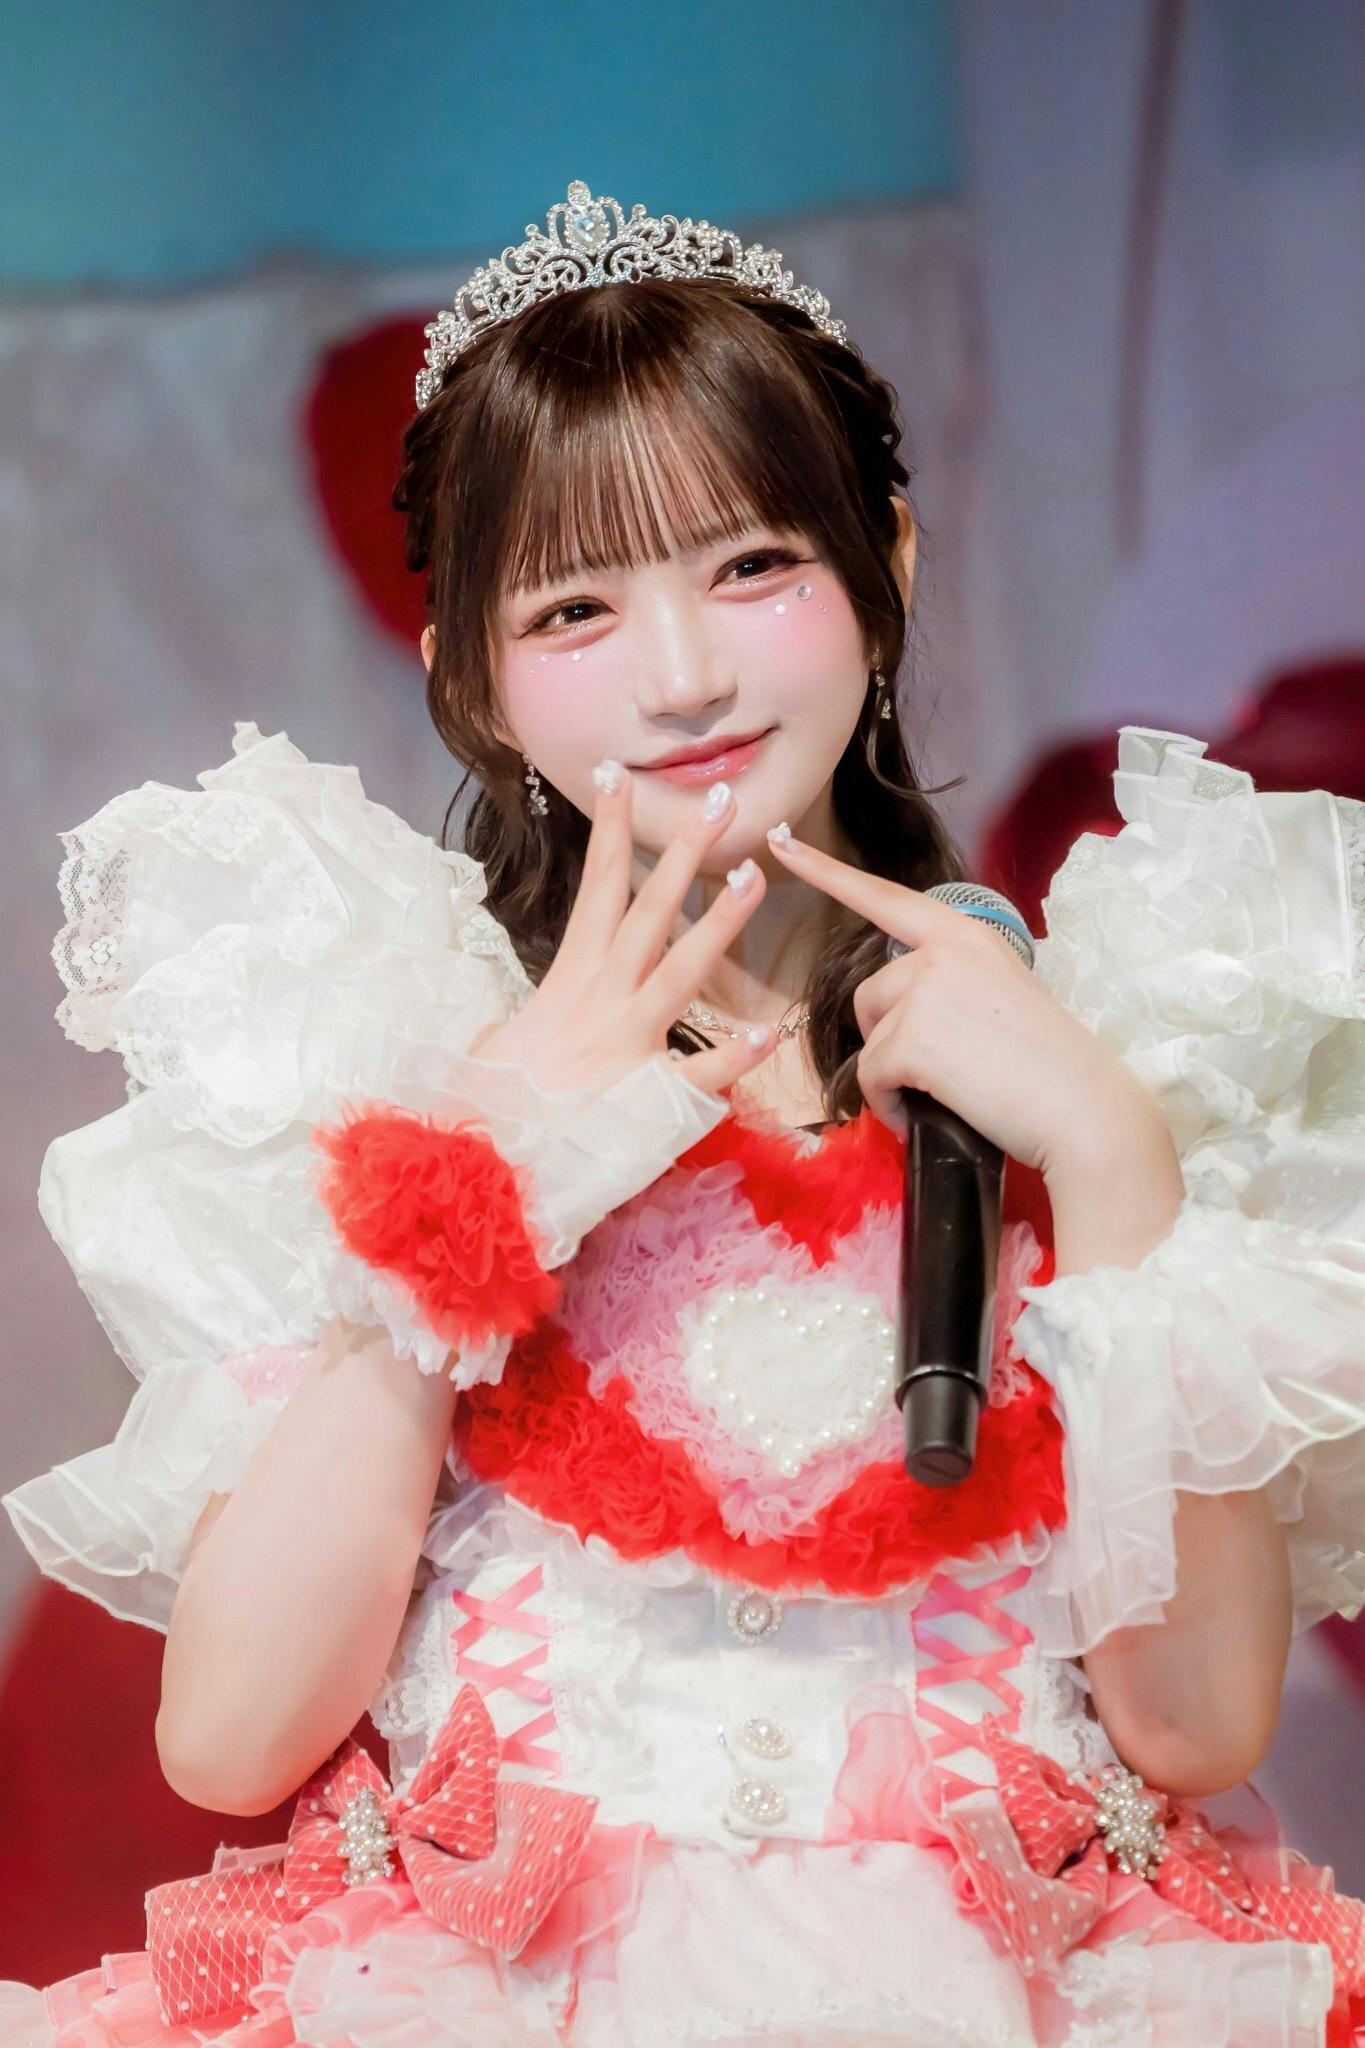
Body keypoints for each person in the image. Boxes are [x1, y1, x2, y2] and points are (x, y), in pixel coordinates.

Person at [3, 177, 1365, 2048]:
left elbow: (1192, 1726)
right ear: (470, 677)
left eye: (749, 567)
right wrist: (476, 1182)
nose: (683, 676)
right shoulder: (389, 1062)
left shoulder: (1107, 1056)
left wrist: (1117, 1165)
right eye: (575, 606)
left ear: (885, 561)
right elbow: (232, 1738)